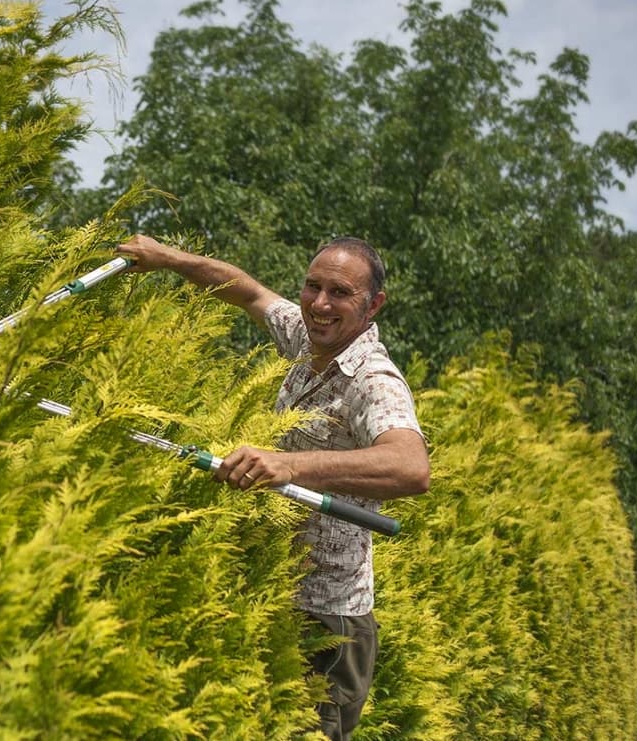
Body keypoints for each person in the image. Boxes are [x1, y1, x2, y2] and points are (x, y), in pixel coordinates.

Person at [116, 234, 430, 739]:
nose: (320, 304)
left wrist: (289, 465)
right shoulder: (309, 339)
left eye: (340, 293)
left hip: (327, 627)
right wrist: (168, 260)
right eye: (312, 287)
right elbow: (248, 292)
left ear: (373, 306)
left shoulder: (373, 380)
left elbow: (410, 467)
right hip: (270, 595)